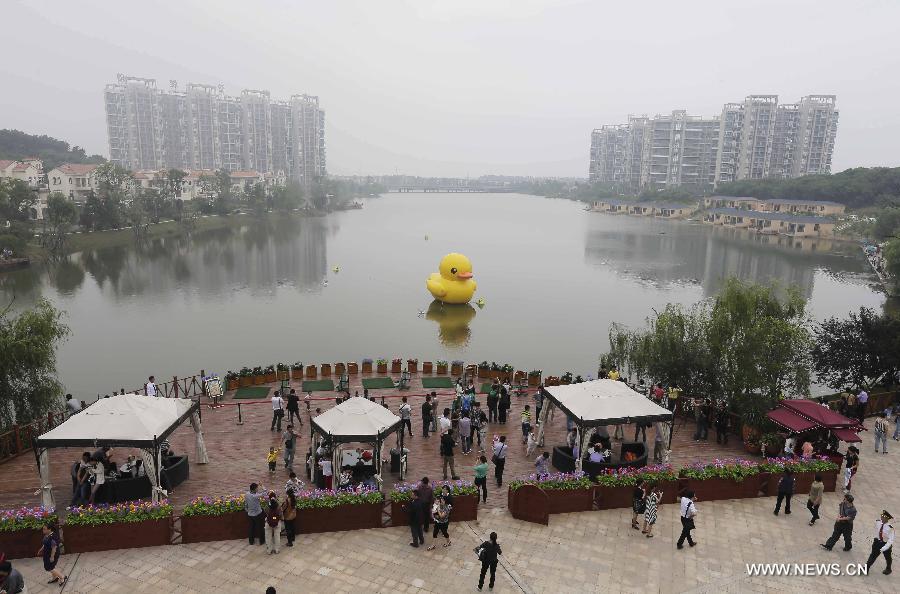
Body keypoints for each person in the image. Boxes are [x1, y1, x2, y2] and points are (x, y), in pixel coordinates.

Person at [865, 510, 894, 575]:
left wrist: (885, 547)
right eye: (882, 515)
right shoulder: (878, 522)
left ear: (887, 518)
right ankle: (866, 568)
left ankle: (888, 568)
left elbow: (891, 540)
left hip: (885, 544)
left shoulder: (890, 528)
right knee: (873, 555)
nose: (882, 517)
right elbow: (876, 530)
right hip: (877, 542)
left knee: (888, 557)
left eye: (883, 516)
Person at [38, 521, 66, 586]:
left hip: (52, 554)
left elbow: (54, 548)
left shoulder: (53, 537)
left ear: (49, 529)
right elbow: (45, 544)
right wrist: (41, 549)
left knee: (49, 568)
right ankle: (55, 577)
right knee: (51, 566)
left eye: (44, 529)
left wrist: (52, 557)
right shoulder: (47, 535)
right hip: (47, 553)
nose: (43, 530)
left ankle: (62, 577)